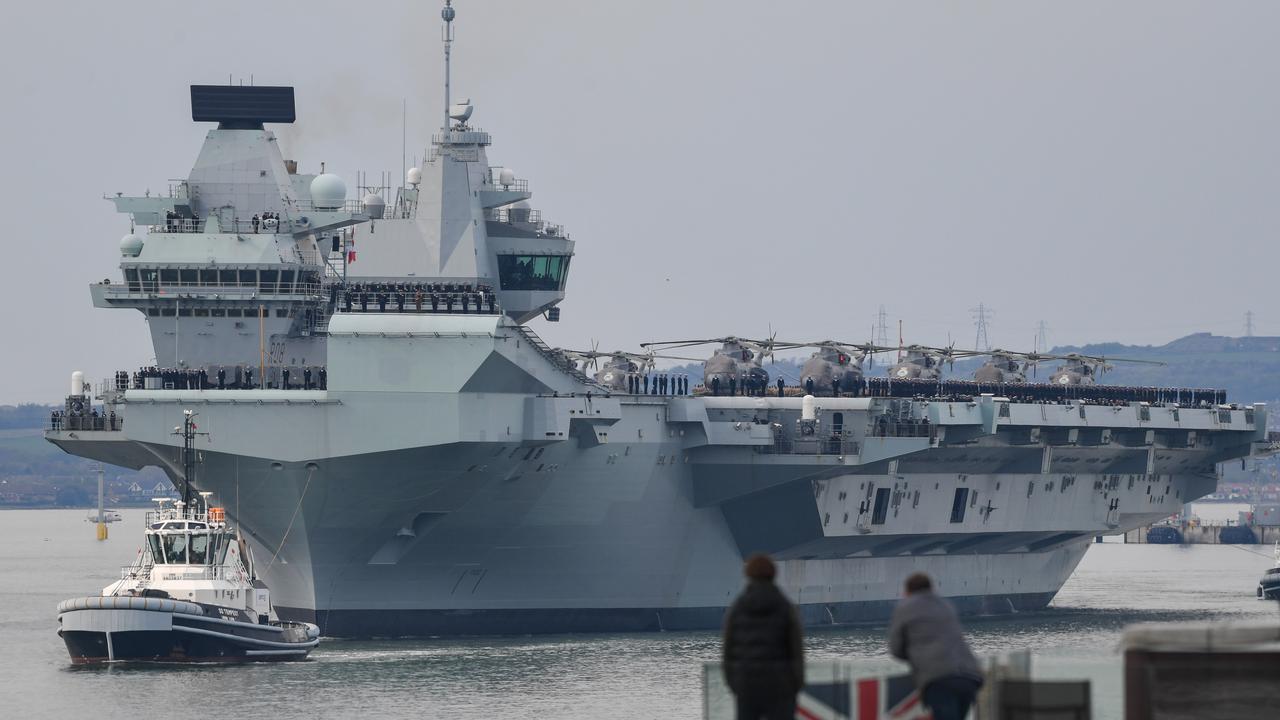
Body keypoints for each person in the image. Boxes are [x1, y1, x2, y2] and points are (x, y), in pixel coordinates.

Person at [888, 573, 983, 720]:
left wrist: (916, 654)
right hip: (970, 676)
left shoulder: (905, 607)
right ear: (931, 588)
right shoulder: (945, 605)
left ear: (907, 591)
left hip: (939, 678)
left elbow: (896, 649)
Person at [722, 554, 804, 720]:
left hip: (747, 686)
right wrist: (795, 686)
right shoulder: (785, 607)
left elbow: (728, 652)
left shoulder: (737, 609)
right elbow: (796, 651)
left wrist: (735, 684)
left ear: (748, 574)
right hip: (780, 686)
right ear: (773, 574)